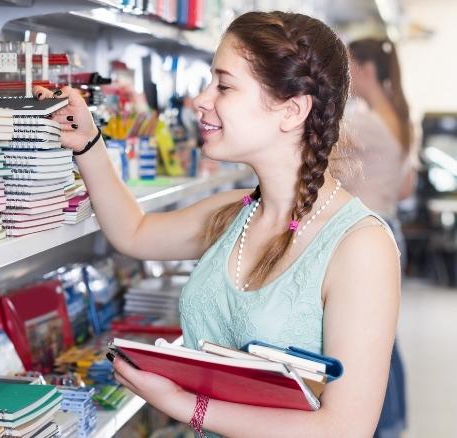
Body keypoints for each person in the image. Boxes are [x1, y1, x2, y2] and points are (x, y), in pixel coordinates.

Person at [35, 11, 400, 437]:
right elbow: (133, 232)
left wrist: (184, 405)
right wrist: (89, 144)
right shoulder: (235, 212)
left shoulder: (360, 246)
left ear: (292, 110)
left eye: (224, 86)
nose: (201, 99)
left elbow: (345, 429)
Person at [341, 37, 416, 438]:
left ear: (366, 70)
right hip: (392, 230)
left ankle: (382, 426)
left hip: (368, 233)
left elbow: (316, 157)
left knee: (369, 343)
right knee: (385, 336)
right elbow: (404, 188)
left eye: (348, 66)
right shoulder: (403, 121)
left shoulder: (365, 123)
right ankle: (394, 422)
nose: (347, 76)